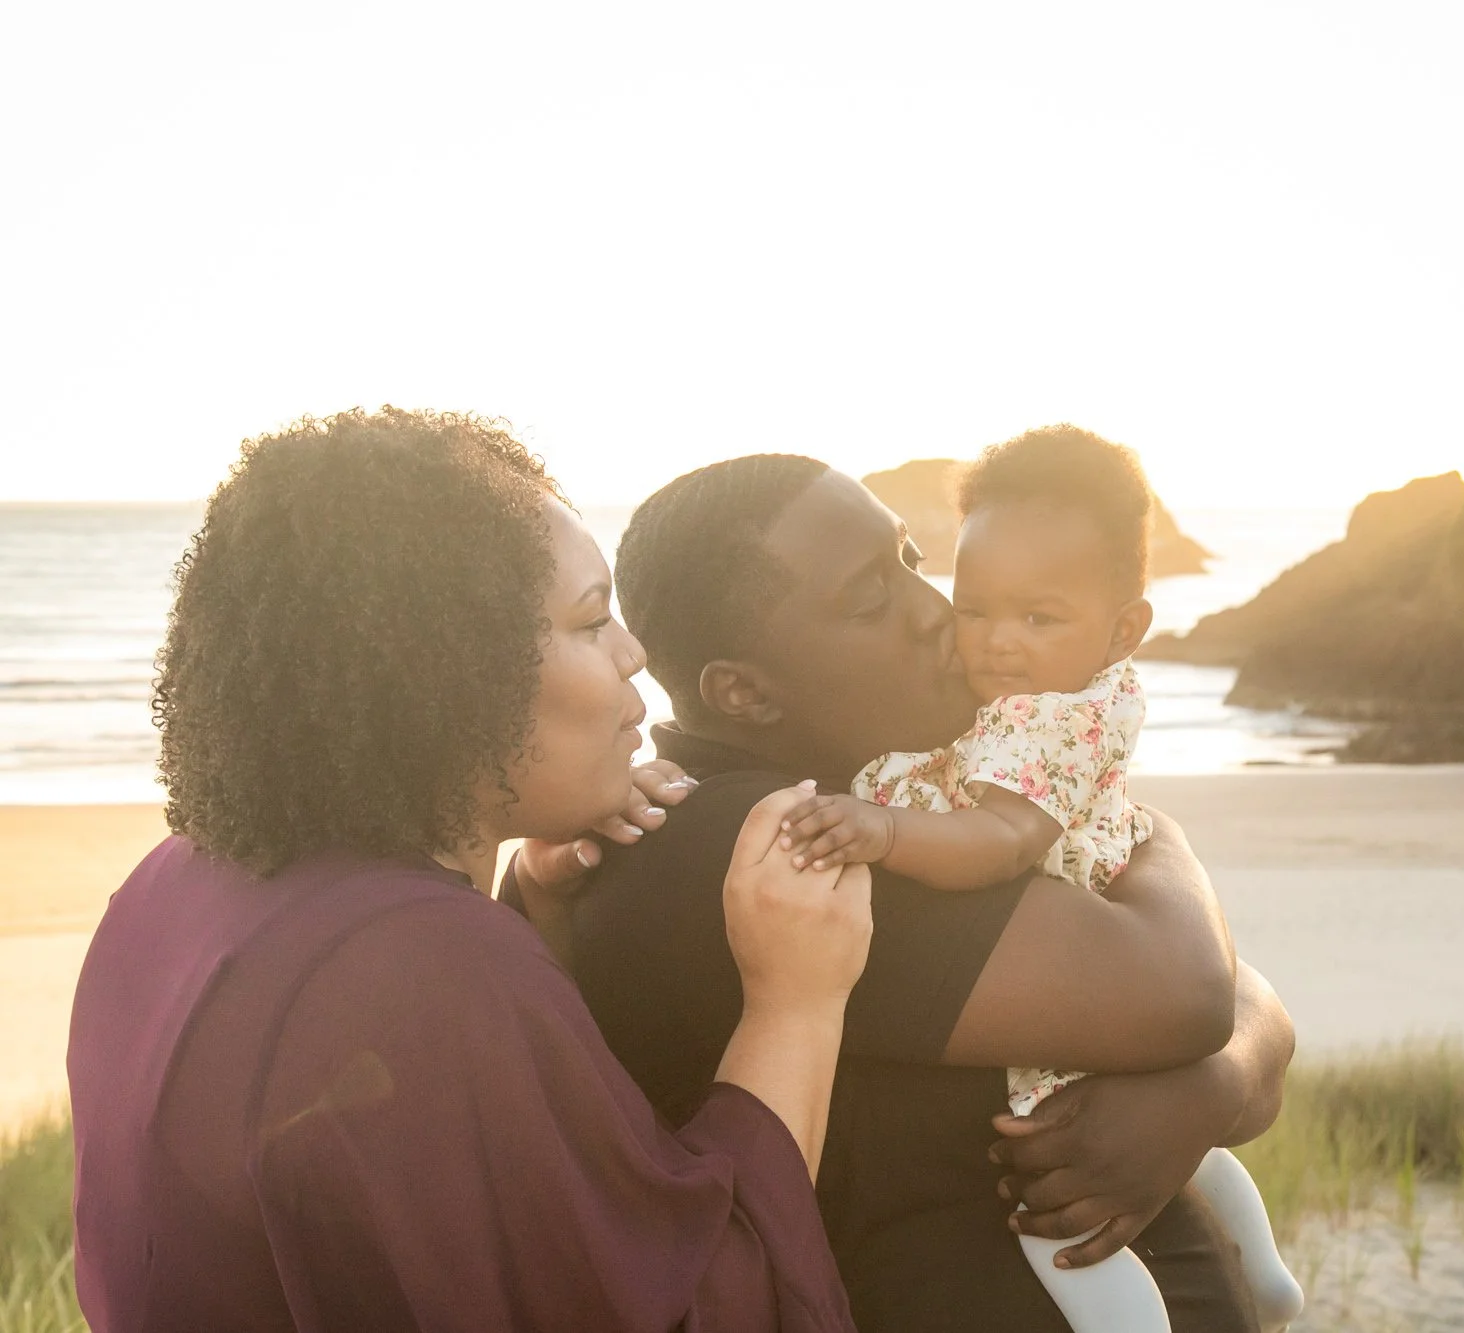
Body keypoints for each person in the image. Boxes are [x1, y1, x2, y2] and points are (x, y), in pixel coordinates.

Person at [68, 409, 867, 1332]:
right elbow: (693, 1306)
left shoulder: (172, 882)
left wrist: (528, 900)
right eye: (590, 619)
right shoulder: (429, 972)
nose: (633, 653)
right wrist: (795, 1001)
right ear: (452, 673)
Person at [509, 451, 1296, 1332]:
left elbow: (1245, 1010)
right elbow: (1186, 989)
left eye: (913, 561)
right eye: (872, 600)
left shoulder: (905, 802)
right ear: (743, 690)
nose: (935, 613)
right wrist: (1156, 835)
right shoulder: (769, 846)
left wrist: (1212, 1087)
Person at [776, 427, 1304, 1332]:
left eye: (1037, 618)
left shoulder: (1045, 722)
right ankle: (1262, 1264)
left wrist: (884, 828)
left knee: (1065, 1234)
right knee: (1192, 1159)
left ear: (1124, 628)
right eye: (974, 608)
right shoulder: (1067, 695)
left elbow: (998, 840)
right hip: (1118, 972)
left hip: (1077, 1010)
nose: (994, 643)